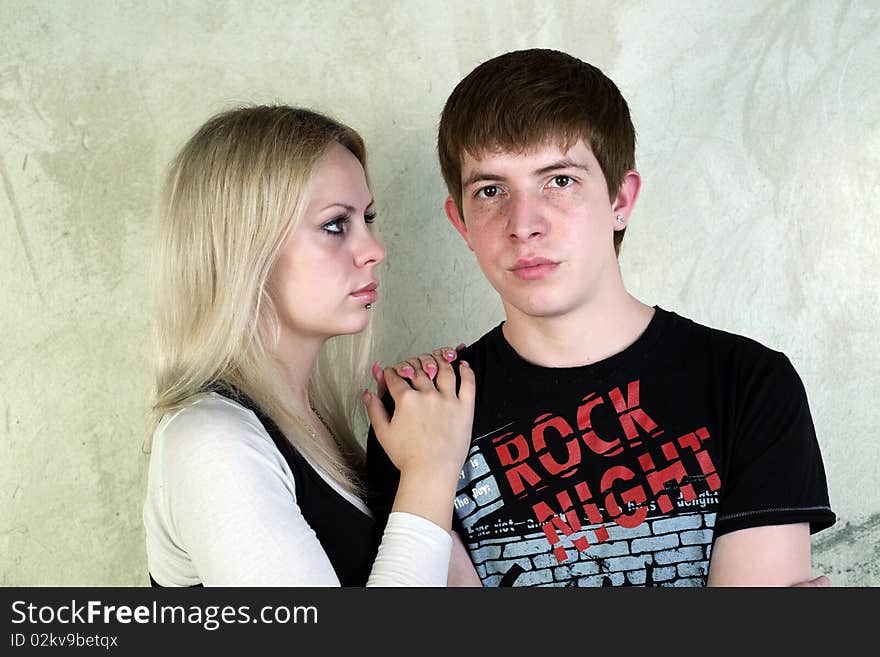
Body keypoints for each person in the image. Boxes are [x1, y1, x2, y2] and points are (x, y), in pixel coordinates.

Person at [367, 49, 836, 587]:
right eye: (491, 191)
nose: (524, 224)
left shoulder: (749, 382)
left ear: (620, 198)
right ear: (462, 222)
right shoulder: (420, 413)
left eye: (559, 181)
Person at [143, 105, 475, 586]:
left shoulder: (308, 427)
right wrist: (430, 471)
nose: (375, 249)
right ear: (245, 246)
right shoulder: (209, 440)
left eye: (368, 218)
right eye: (336, 225)